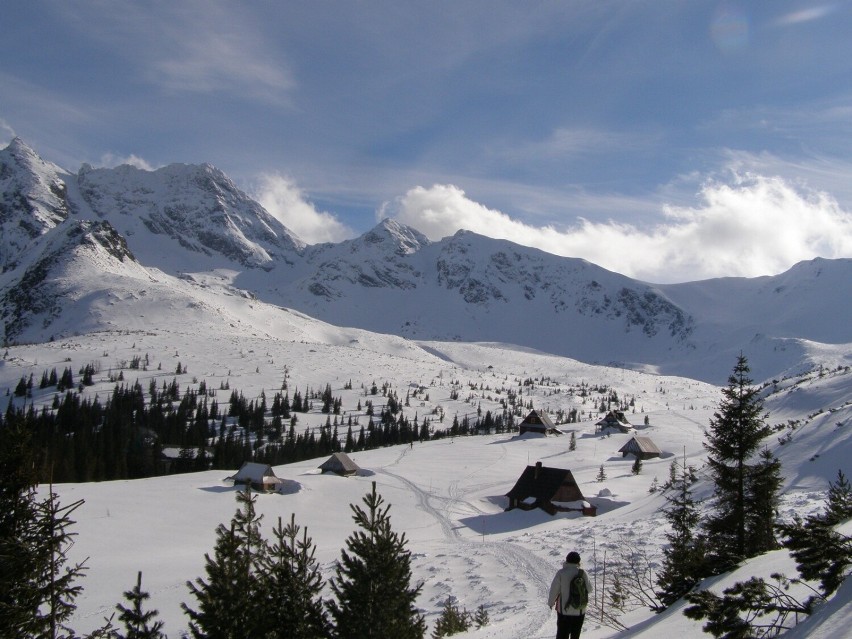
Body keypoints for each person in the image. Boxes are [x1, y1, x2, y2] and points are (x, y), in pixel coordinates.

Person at [547, 551, 592, 639]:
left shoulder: (561, 573)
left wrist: (551, 603)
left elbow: (554, 590)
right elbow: (590, 589)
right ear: (578, 561)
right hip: (579, 610)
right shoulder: (582, 573)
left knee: (562, 635)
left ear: (567, 560)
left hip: (564, 611)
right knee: (575, 636)